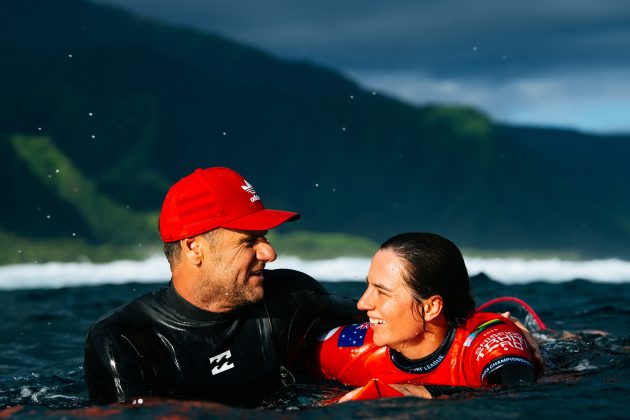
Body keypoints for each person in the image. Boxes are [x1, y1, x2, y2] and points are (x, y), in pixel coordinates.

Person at [84, 167, 364, 405]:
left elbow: (386, 319)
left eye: (264, 237)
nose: (270, 253)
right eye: (249, 241)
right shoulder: (124, 341)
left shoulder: (292, 297)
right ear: (195, 248)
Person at [309, 232, 539, 401]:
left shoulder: (488, 342)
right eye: (368, 286)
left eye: (382, 292)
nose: (363, 303)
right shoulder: (347, 348)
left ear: (430, 308)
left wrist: (422, 392)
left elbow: (517, 394)